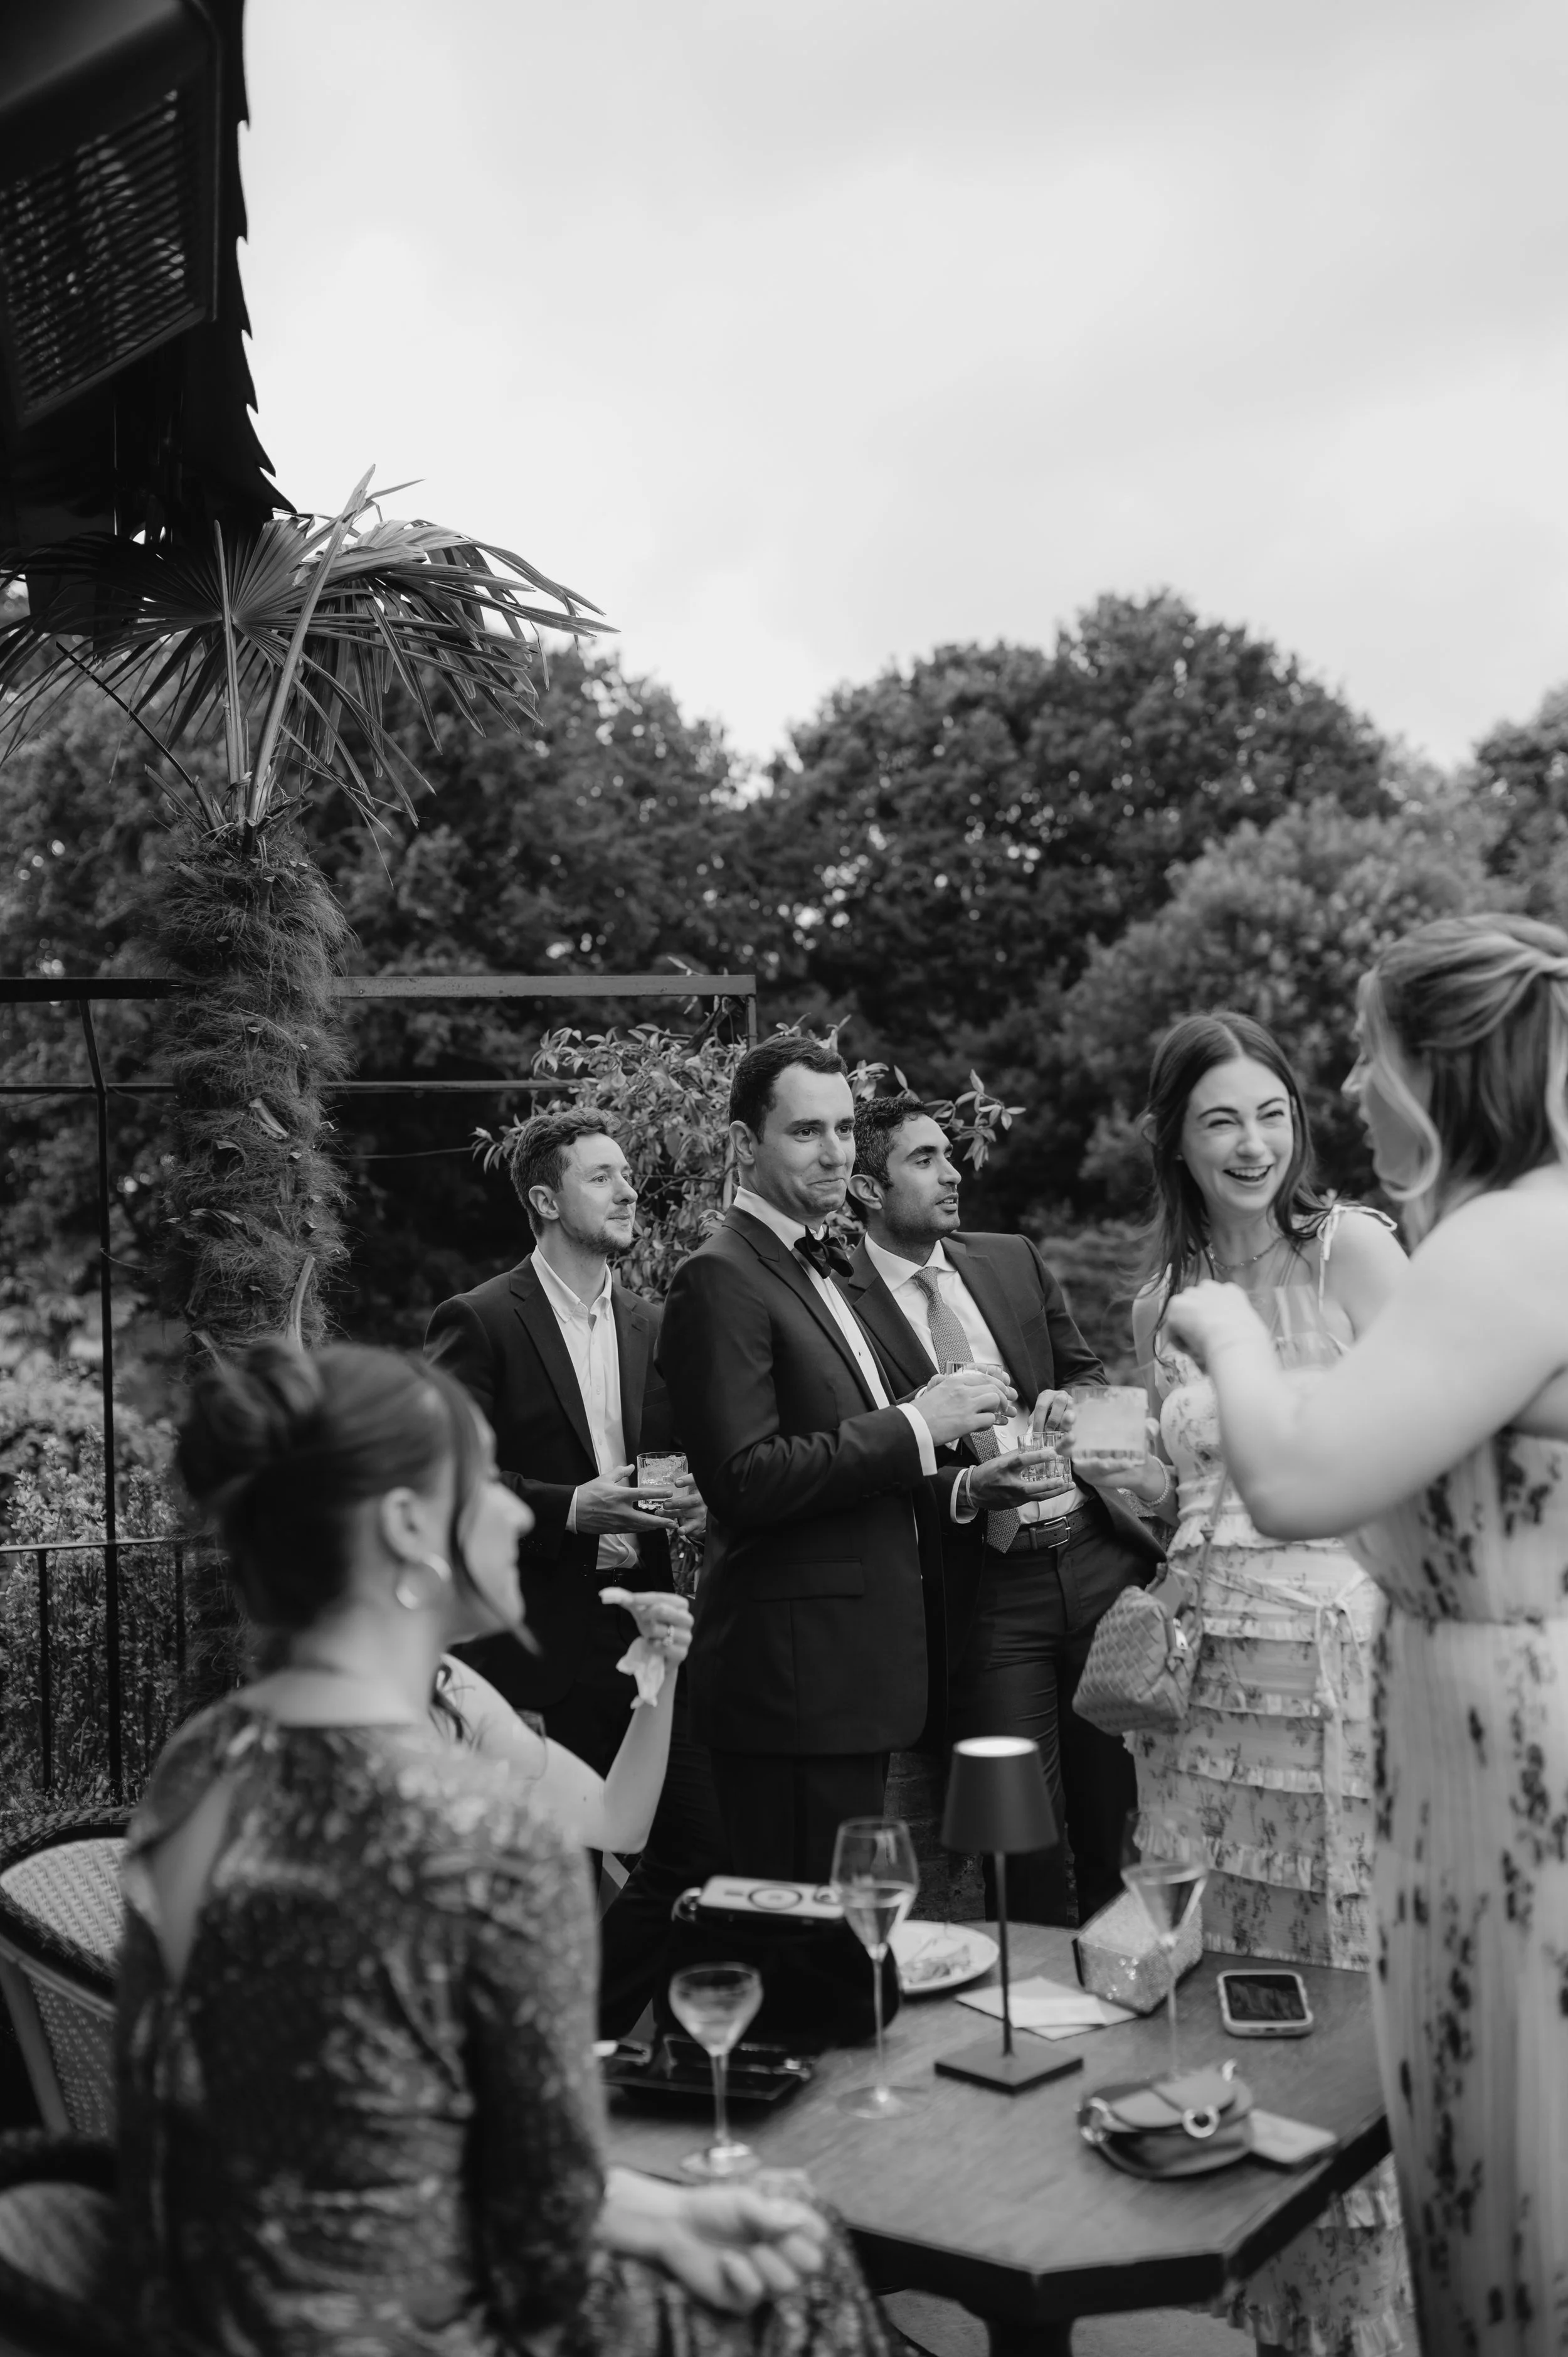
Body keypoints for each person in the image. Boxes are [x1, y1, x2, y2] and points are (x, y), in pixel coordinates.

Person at [118, 1338, 892, 2357]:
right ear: (407, 1528)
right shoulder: (481, 1839)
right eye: (483, 1482)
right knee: (802, 2248)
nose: (519, 1511)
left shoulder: (199, 1767)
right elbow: (540, 2263)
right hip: (414, 2328)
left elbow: (327, 2122)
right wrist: (670, 2228)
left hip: (202, 2313)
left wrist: (649, 2212)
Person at [1167, 922, 1568, 2357]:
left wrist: (1222, 1331)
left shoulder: (1504, 1245)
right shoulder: (1506, 1229)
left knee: (1508, 2174)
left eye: (1362, 1053)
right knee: (1472, 2158)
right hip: (1456, 1732)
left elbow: (1295, 1482)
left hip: (1500, 1758)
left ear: (1437, 1067)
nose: (1343, 1084)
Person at [1131, 1011, 1411, 2357]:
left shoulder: (1350, 1245)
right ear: (1174, 1142)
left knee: (1352, 1958)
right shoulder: (1161, 1297)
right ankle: (1276, 2298)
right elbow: (1189, 1492)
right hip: (1211, 1686)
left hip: (1344, 1661)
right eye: (1218, 1121)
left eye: (1270, 1115)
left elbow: (1436, 1447)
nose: (1252, 1145)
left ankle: (1381, 2301)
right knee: (1246, 1967)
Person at [657, 1036, 1006, 1882]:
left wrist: (962, 1485)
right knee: (808, 1962)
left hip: (848, 1673)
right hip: (795, 1683)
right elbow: (743, 1479)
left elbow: (848, 1461)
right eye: (807, 1131)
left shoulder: (820, 1264)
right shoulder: (721, 1277)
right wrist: (919, 1425)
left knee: (841, 1960)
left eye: (846, 1129)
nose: (838, 1151)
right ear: (746, 1146)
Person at [426, 1108, 724, 2035]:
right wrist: (568, 1506)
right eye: (603, 1176)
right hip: (535, 1657)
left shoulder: (654, 1321)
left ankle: (595, 2047)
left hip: (646, 1640)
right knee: (564, 1886)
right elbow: (446, 1474)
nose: (630, 1188)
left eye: (628, 1172)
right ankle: (578, 2054)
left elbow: (681, 1460)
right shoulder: (479, 1320)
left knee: (694, 1855)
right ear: (546, 1199)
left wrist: (699, 1500)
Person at [841, 1091, 1164, 1925]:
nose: (953, 1174)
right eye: (925, 1160)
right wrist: (967, 1490)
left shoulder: (1011, 1257)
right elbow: (853, 1462)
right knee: (1015, 1829)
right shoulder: (837, 1302)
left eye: (949, 1155)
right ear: (867, 1190)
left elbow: (1089, 1373)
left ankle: (1124, 1978)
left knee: (1118, 1812)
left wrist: (1070, 1403)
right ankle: (1041, 2006)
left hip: (1097, 1563)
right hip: (984, 1589)